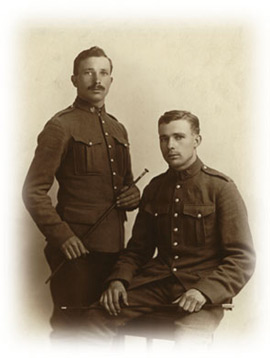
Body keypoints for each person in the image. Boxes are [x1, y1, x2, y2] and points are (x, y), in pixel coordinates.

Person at [81, 110, 256, 348]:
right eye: (163, 138)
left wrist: (204, 292)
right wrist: (119, 280)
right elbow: (138, 250)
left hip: (201, 290)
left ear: (197, 140)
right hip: (156, 284)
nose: (170, 145)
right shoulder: (155, 188)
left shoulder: (221, 188)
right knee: (95, 319)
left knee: (189, 341)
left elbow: (241, 258)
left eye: (178, 137)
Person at [22, 46, 140, 338]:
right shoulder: (60, 126)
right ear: (74, 79)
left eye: (103, 73)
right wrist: (62, 236)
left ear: (111, 80)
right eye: (88, 72)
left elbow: (126, 183)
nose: (96, 79)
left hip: (114, 251)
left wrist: (133, 194)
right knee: (71, 332)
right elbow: (33, 191)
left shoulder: (118, 129)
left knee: (107, 331)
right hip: (76, 253)